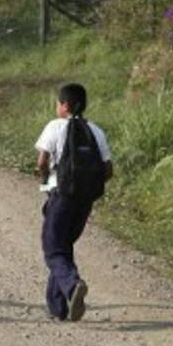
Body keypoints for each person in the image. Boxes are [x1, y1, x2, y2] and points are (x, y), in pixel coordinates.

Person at [34, 83, 112, 322]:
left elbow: (41, 161)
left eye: (58, 103)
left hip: (62, 197)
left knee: (52, 248)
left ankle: (72, 284)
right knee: (63, 247)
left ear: (64, 105)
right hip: (84, 201)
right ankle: (58, 308)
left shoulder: (55, 126)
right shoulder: (96, 131)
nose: (57, 107)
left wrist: (44, 176)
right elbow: (108, 169)